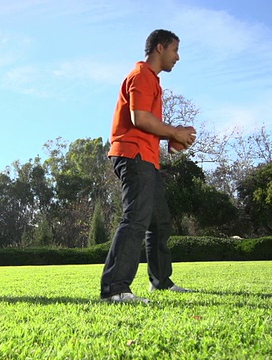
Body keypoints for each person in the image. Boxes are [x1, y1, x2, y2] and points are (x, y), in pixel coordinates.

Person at [100, 29, 196, 304]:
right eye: (175, 50)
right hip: (133, 155)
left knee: (160, 221)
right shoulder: (141, 76)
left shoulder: (152, 81)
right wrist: (175, 132)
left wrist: (171, 137)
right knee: (136, 219)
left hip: (147, 158)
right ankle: (115, 289)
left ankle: (161, 282)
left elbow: (148, 123)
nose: (177, 57)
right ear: (159, 48)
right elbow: (139, 118)